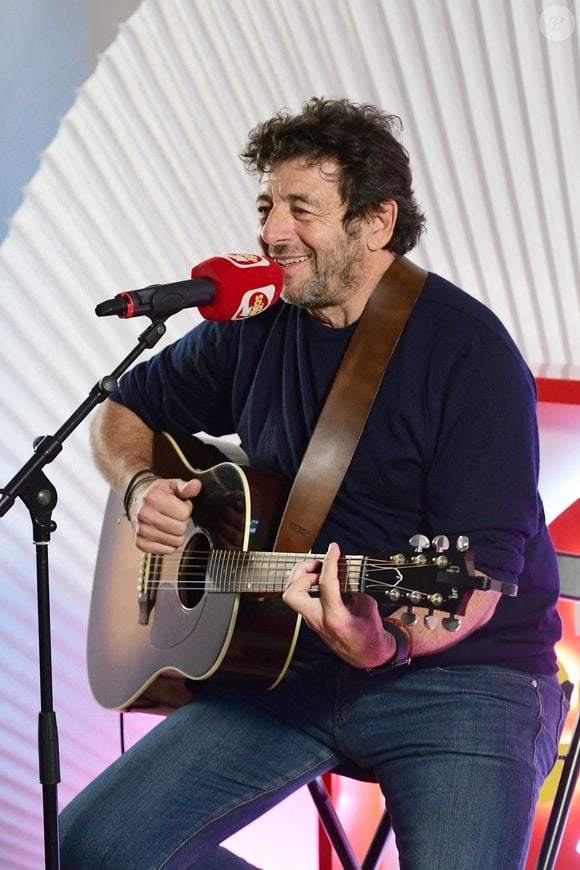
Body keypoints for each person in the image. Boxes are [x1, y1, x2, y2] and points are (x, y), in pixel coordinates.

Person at [59, 98, 568, 869]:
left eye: (302, 209)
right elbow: (122, 410)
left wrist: (382, 642)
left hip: (466, 678)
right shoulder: (252, 325)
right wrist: (138, 487)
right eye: (267, 206)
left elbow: (474, 587)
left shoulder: (469, 356)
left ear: (376, 223)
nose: (270, 232)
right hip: (288, 666)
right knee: (95, 847)